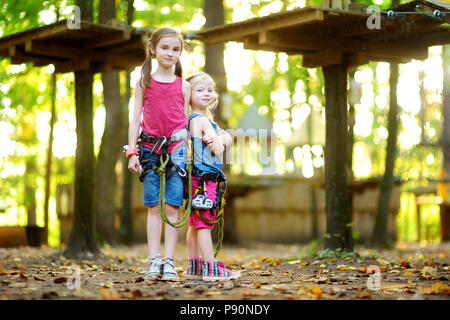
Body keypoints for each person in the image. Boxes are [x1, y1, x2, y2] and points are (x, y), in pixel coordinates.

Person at [126, 27, 191, 281]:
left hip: (176, 153)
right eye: (165, 47)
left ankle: (169, 262)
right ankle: (153, 259)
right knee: (154, 207)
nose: (170, 53)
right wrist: (132, 152)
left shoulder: (184, 86)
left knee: (173, 207)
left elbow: (185, 121)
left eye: (175, 49)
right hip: (149, 151)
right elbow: (135, 119)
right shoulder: (144, 82)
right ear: (153, 49)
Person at [184, 72, 241, 282]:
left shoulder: (201, 120)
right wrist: (220, 139)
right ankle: (211, 268)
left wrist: (221, 136)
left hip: (196, 179)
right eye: (200, 90)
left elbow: (226, 136)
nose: (206, 93)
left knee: (194, 224)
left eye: (209, 89)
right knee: (204, 225)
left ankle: (195, 267)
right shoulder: (200, 121)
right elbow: (218, 149)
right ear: (188, 95)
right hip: (204, 179)